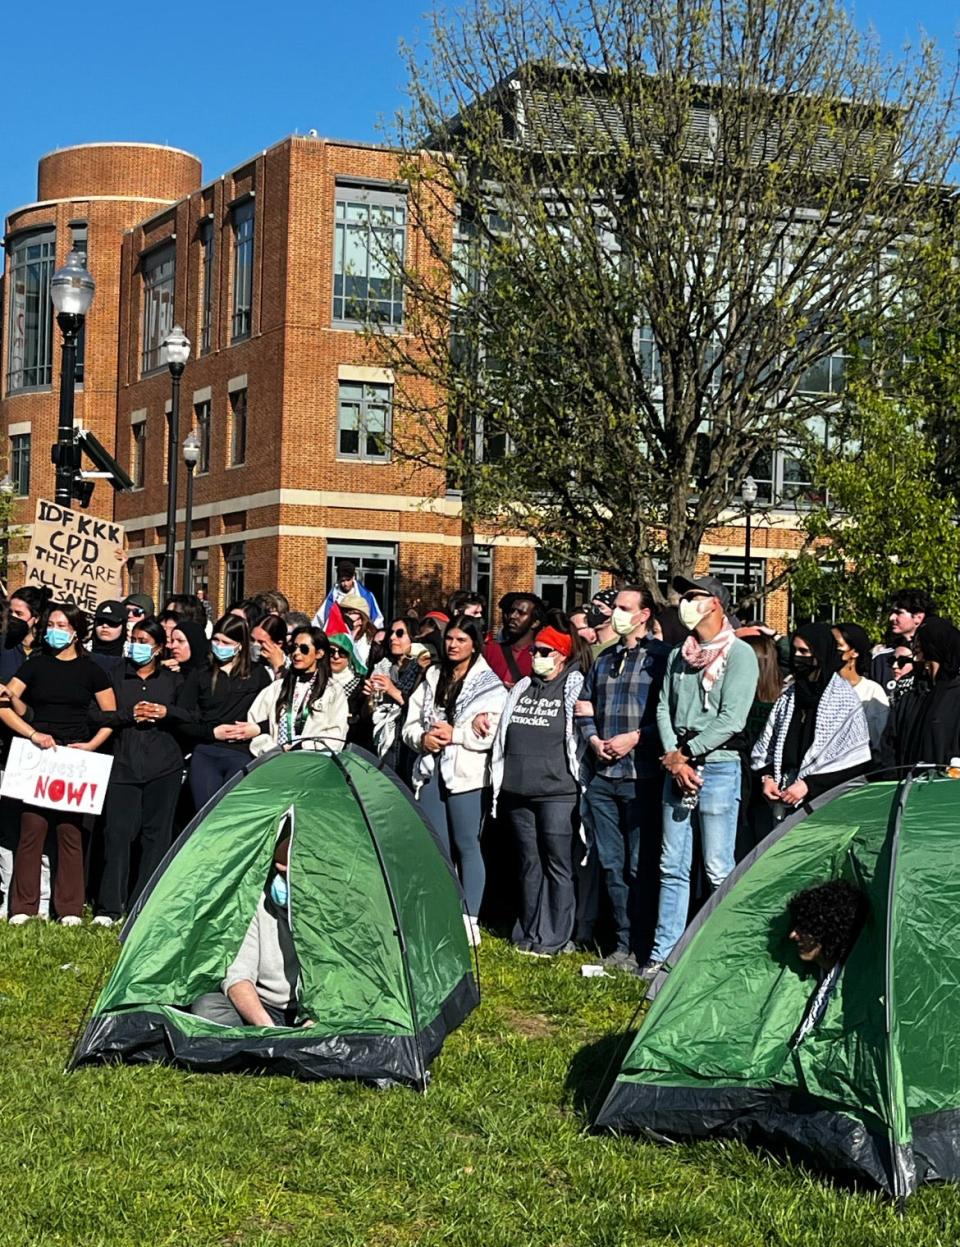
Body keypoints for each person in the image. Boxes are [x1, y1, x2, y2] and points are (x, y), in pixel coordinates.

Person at [648, 576, 760, 979]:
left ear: (715, 603)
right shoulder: (681, 653)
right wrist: (674, 759)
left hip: (718, 765)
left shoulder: (740, 654)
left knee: (716, 867)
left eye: (693, 597)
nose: (686, 604)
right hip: (678, 763)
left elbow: (733, 718)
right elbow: (663, 707)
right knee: (672, 865)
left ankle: (721, 954)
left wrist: (689, 754)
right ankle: (663, 955)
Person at [0, 603, 117, 925]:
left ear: (77, 631)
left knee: (70, 833)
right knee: (31, 829)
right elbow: (5, 704)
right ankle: (23, 908)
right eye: (51, 623)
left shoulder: (92, 670)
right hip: (37, 754)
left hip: (74, 759)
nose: (55, 630)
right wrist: (32, 733)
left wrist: (92, 745)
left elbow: (111, 715)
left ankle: (69, 910)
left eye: (62, 625)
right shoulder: (33, 665)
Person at [575, 585, 671, 971]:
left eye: (623, 607)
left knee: (639, 865)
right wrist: (594, 739)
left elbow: (670, 716)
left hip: (642, 776)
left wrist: (636, 738)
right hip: (603, 776)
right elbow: (584, 706)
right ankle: (622, 942)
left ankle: (645, 944)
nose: (616, 613)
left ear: (644, 614)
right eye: (615, 607)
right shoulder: (604, 659)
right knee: (612, 865)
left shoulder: (661, 660)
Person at [403, 616, 507, 945]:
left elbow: (490, 734)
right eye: (450, 639)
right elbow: (410, 723)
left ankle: (469, 918)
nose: (453, 645)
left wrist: (456, 734)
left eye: (461, 639)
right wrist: (422, 739)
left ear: (474, 644)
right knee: (438, 846)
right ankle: (443, 910)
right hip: (432, 769)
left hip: (468, 775)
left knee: (467, 844)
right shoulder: (432, 675)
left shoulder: (488, 684)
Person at [491, 625, 585, 956]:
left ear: (563, 656)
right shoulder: (522, 687)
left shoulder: (573, 686)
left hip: (557, 791)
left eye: (545, 652)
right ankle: (528, 932)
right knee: (529, 863)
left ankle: (555, 936)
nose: (536, 657)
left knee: (557, 863)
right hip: (518, 790)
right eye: (534, 651)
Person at [92, 616, 188, 924]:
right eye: (133, 640)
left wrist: (165, 712)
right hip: (123, 763)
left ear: (159, 648)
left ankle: (142, 904)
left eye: (144, 642)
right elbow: (95, 714)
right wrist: (125, 715)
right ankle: (109, 907)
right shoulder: (115, 675)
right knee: (117, 833)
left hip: (163, 765)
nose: (136, 646)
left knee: (155, 836)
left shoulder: (175, 680)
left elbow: (193, 716)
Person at [752, 622, 871, 818]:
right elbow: (768, 745)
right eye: (795, 651)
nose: (798, 657)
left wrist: (808, 785)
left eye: (805, 652)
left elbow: (853, 760)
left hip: (827, 803)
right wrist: (768, 778)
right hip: (785, 796)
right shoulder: (789, 696)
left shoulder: (843, 700)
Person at [190, 835, 307, 1027]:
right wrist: (267, 1029)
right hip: (264, 1008)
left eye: (288, 869)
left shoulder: (333, 913)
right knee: (207, 1008)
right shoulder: (257, 903)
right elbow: (238, 976)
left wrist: (316, 1022)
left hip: (312, 1011)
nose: (280, 873)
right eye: (278, 867)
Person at [178, 614, 272, 810]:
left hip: (242, 754)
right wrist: (212, 732)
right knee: (205, 814)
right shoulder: (201, 673)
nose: (219, 646)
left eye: (226, 642)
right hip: (206, 752)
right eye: (216, 640)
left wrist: (256, 729)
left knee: (230, 814)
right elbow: (182, 719)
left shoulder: (258, 675)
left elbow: (276, 717)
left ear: (240, 645)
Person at [786, 879, 868, 1046]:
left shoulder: (852, 987)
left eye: (804, 929)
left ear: (825, 931)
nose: (793, 935)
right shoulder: (823, 977)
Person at [248, 626, 347, 755]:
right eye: (293, 648)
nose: (296, 653)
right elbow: (255, 723)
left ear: (319, 653)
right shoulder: (277, 688)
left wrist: (303, 746)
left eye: (304, 649)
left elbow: (336, 734)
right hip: (275, 761)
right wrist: (272, 749)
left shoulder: (333, 691)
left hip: (313, 763)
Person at [879, 617, 960, 771]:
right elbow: (891, 745)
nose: (917, 659)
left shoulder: (955, 695)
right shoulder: (912, 696)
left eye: (922, 651)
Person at [368, 615, 427, 785]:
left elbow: (418, 707)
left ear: (413, 638)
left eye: (400, 633)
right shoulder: (383, 666)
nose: (393, 638)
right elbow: (371, 713)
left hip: (406, 743)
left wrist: (392, 690)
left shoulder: (421, 668)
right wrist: (369, 698)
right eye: (391, 633)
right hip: (383, 739)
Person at [833, 623, 890, 754]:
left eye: (837, 645)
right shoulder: (821, 687)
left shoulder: (872, 691)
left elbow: (876, 738)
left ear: (855, 652)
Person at [871, 589, 935, 686]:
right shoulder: (881, 661)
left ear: (918, 617)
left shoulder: (935, 660)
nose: (891, 618)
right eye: (892, 612)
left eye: (898, 613)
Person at [483, 592, 545, 689]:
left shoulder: (542, 655)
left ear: (535, 623)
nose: (513, 616)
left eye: (521, 613)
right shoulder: (490, 650)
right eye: (512, 611)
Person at [328, 632, 372, 747]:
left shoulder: (361, 684)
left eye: (342, 652)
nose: (336, 657)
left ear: (350, 656)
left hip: (352, 744)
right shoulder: (317, 681)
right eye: (331, 652)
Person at [313, 559, 384, 630]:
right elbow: (320, 619)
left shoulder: (366, 596)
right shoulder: (332, 598)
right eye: (342, 581)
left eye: (348, 580)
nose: (345, 584)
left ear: (353, 577)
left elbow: (377, 619)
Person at [0, 586, 48, 681]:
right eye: (10, 612)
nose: (12, 617)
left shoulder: (47, 650)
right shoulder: (3, 642)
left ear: (36, 618)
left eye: (19, 614)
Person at [88, 600, 127, 675]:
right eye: (100, 622)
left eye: (112, 622)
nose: (105, 626)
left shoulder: (129, 655)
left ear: (123, 626)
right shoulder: (81, 651)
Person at [251, 613, 289, 682]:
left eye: (261, 642)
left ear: (278, 644)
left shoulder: (290, 667)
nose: (255, 645)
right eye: (252, 640)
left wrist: (278, 667)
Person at [586, 588, 619, 660]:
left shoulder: (620, 646)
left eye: (600, 607)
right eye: (592, 606)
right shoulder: (585, 648)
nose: (593, 611)